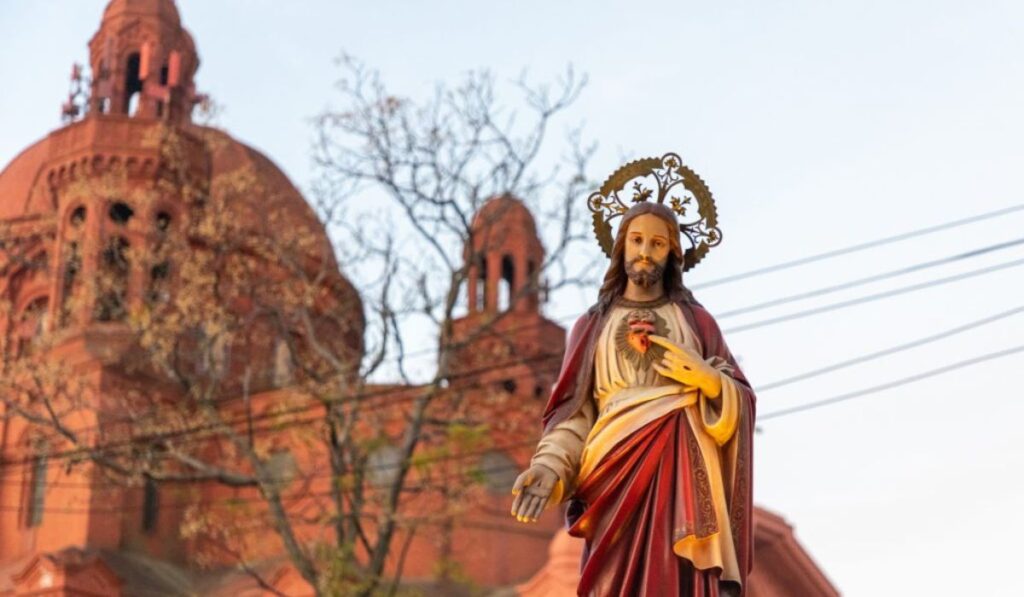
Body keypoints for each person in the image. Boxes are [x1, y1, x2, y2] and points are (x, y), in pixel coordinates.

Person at [510, 201, 755, 596]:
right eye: (637, 240)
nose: (645, 251)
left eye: (657, 243)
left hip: (683, 478)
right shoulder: (593, 326)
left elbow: (741, 398)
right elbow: (574, 413)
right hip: (613, 478)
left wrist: (710, 382)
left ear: (673, 252)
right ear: (621, 246)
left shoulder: (696, 322)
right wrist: (550, 465)